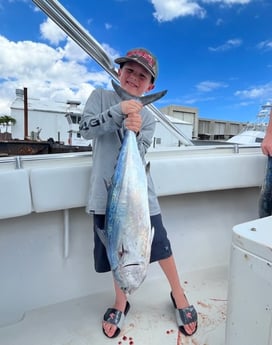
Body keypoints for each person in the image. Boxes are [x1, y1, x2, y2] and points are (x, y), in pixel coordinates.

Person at [79, 48, 198, 339]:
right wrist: (117, 112)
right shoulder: (100, 97)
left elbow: (140, 153)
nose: (134, 77)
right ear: (119, 72)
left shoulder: (150, 118)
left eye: (142, 75)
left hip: (141, 200)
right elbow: (84, 129)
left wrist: (135, 125)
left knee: (162, 247)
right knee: (115, 251)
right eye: (129, 71)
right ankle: (121, 302)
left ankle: (178, 294)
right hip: (104, 196)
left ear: (150, 86)